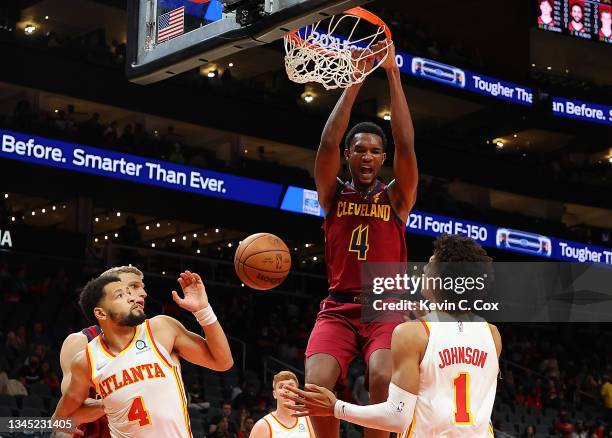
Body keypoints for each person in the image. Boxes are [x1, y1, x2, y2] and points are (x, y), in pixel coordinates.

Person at [304, 40, 417, 438]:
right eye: (359, 150)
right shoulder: (333, 195)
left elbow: (406, 143)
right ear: (349, 155)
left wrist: (391, 73)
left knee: (382, 377)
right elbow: (325, 143)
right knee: (314, 386)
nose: (367, 157)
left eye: (374, 151)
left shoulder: (397, 197)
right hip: (338, 308)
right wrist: (354, 80)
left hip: (384, 308)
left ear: (382, 159)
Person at [284, 235, 502, 437]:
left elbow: (396, 417)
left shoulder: (411, 333)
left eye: (430, 264)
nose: (424, 268)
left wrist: (335, 408)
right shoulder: (492, 335)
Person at [53, 270, 233, 437]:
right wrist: (108, 405)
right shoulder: (85, 356)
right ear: (101, 311)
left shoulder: (160, 329)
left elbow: (223, 362)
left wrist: (203, 310)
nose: (136, 296)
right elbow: (61, 418)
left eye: (132, 291)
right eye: (124, 293)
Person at [57, 266, 148, 438]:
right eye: (133, 287)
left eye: (142, 287)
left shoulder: (155, 338)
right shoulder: (81, 341)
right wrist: (118, 400)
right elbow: (73, 405)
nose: (142, 293)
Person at [250, 371, 315, 438]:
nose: (286, 390)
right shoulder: (263, 426)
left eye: (290, 386)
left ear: (297, 392)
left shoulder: (308, 421)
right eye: (281, 387)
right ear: (274, 394)